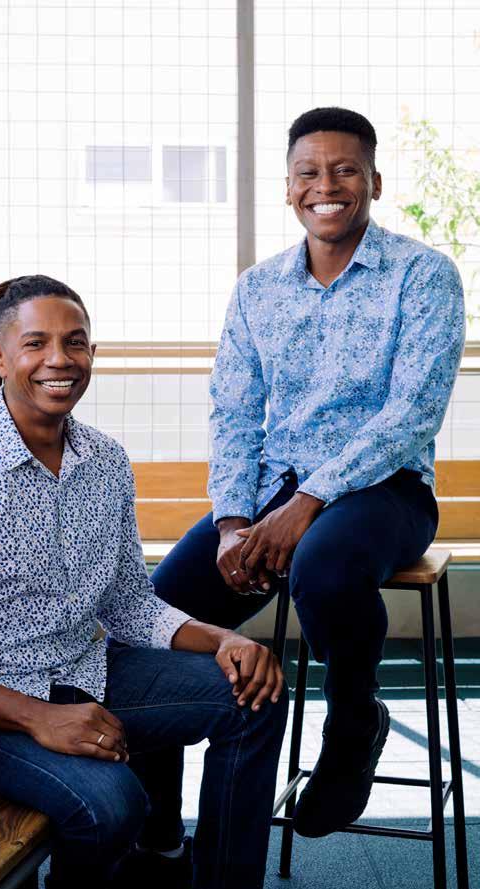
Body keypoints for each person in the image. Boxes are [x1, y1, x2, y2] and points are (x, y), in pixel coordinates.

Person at [0, 275, 288, 889]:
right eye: (36, 343)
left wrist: (222, 640)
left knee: (254, 695)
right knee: (113, 804)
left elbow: (129, 603)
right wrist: (39, 717)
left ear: (92, 353)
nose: (60, 359)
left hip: (85, 670)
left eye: (75, 342)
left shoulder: (105, 461)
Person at [152, 107, 465, 839]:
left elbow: (412, 413)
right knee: (154, 616)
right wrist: (233, 523)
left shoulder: (423, 276)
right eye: (309, 172)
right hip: (271, 490)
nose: (326, 186)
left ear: (374, 182)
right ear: (288, 187)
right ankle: (156, 836)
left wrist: (311, 501)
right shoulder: (257, 289)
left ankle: (353, 724)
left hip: (386, 489)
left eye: (345, 170)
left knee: (320, 566)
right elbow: (233, 411)